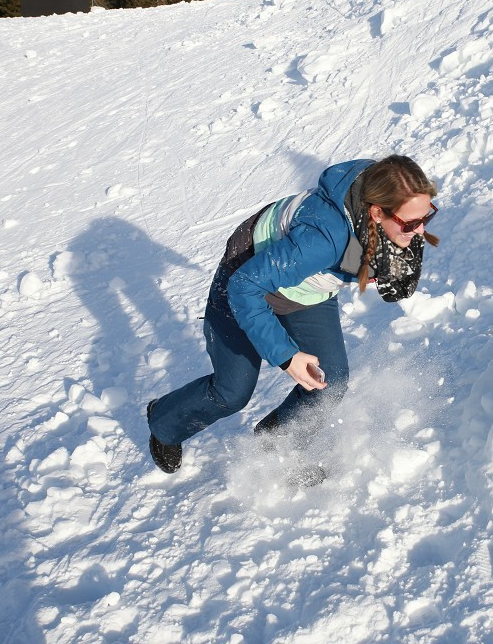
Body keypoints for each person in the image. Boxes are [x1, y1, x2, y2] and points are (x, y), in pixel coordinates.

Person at [145, 155, 440, 480]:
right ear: (376, 212)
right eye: (411, 224)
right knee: (232, 392)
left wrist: (395, 248)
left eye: (426, 217)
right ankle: (164, 422)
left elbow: (386, 233)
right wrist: (287, 357)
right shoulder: (321, 241)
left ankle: (277, 444)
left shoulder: (383, 198)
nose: (420, 229)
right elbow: (244, 287)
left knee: (330, 381)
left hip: (303, 293)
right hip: (244, 280)